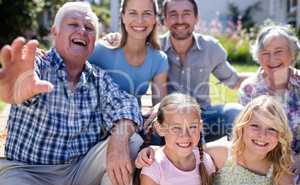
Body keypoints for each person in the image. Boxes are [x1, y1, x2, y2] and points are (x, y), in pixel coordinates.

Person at [0, 2, 143, 185]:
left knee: (131, 141)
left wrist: (119, 140)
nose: (82, 31)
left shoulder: (98, 78)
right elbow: (23, 81)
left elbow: (126, 104)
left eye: (89, 28)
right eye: (73, 24)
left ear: (94, 40)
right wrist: (15, 88)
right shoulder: (38, 66)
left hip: (78, 173)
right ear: (55, 32)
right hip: (27, 173)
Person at [105, 0, 249, 142]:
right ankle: (159, 161)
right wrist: (116, 38)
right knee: (154, 129)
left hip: (204, 117)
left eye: (186, 14)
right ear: (165, 20)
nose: (180, 20)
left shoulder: (211, 48)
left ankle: (239, 158)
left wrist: (265, 73)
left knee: (234, 111)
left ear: (196, 18)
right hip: (168, 118)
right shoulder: (153, 50)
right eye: (173, 14)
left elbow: (234, 80)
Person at [136, 95, 299, 185]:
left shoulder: (278, 171)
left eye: (271, 129)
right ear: (241, 127)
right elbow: (183, 150)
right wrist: (153, 151)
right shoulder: (223, 153)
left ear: (280, 135)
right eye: (255, 126)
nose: (262, 135)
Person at [239, 25, 300, 185]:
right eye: (265, 53)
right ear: (258, 57)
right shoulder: (249, 89)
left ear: (292, 53)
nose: (272, 58)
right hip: (260, 166)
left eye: (279, 51)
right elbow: (244, 135)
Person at [89, 0, 168, 107]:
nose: (140, 20)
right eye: (133, 13)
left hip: (134, 121)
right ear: (123, 17)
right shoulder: (99, 51)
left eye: (147, 13)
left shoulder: (158, 59)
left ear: (154, 18)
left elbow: (159, 106)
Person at [136, 93, 215, 185]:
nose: (185, 135)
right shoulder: (155, 166)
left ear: (200, 126)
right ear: (160, 129)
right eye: (176, 128)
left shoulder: (205, 161)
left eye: (192, 127)